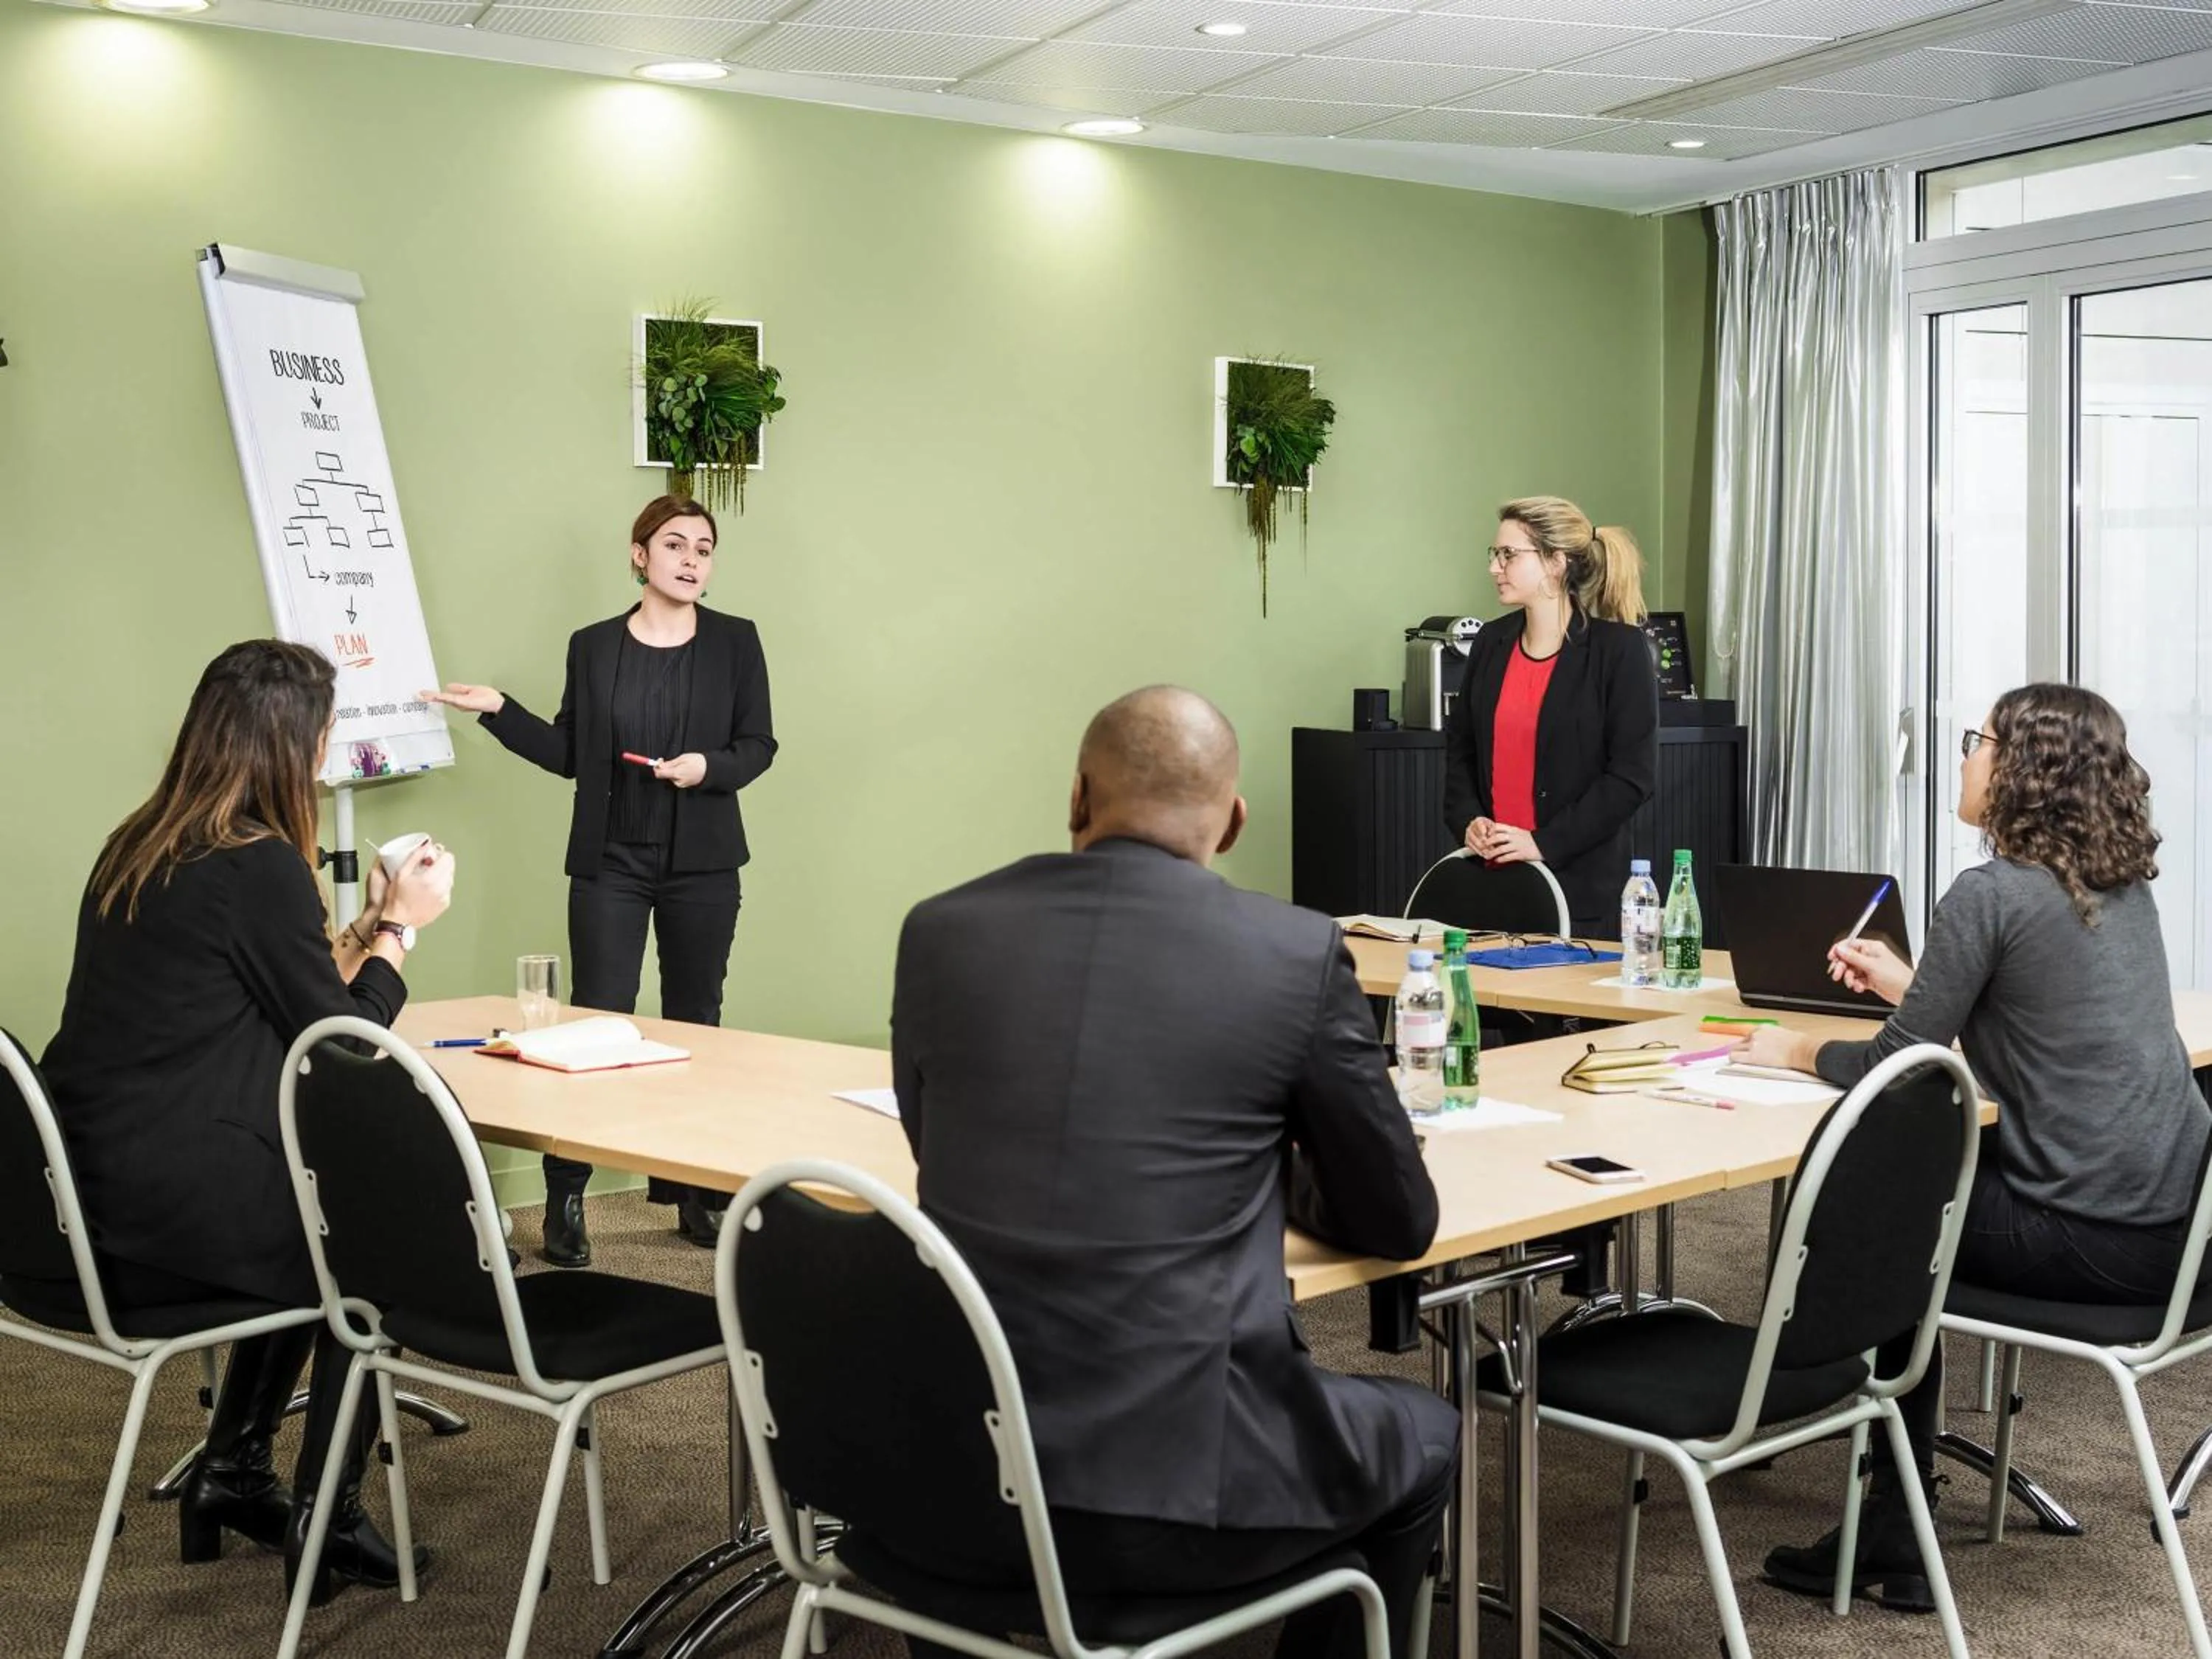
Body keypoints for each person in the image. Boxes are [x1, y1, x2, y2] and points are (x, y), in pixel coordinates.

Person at [888, 686, 1456, 1659]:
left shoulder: (939, 928)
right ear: (1235, 821)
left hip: (948, 1468)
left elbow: (934, 1141)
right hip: (1170, 1494)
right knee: (1427, 1432)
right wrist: (1277, 1169)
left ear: (1076, 795)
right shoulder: (1294, 950)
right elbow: (1397, 1219)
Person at [1746, 684, 2212, 1613]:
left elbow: (1896, 1062)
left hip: (2101, 1241)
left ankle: (1890, 1521)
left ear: (2021, 771)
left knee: (1889, 1209)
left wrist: (1789, 1047)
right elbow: (2028, 1021)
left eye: (1978, 741)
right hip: (2186, 1237)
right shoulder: (2116, 886)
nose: (1965, 756)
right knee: (1923, 1186)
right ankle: (1893, 1516)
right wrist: (1914, 982)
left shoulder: (1990, 892)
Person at [41, 639, 456, 1603]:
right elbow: (342, 1050)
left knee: (308, 1222)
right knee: (364, 1250)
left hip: (81, 1201)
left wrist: (354, 936)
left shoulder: (145, 839)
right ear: (284, 745)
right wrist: (402, 930)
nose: (322, 757)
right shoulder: (259, 863)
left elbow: (257, 988)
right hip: (163, 1225)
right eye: (318, 736)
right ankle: (329, 1515)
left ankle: (231, 1474)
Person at [427, 495, 775, 1267]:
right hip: (612, 862)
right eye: (676, 544)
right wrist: (498, 712)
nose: (693, 560)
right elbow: (569, 754)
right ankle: (567, 1199)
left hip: (703, 865)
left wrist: (707, 767)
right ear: (639, 555)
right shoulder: (593, 647)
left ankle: (694, 1195)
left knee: (695, 1025)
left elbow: (759, 745)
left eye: (705, 548)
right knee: (595, 1025)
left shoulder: (735, 643)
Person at [1441, 495, 1658, 937]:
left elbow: (1631, 778)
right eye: (1494, 554)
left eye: (1508, 555)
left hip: (1580, 896)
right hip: (1489, 890)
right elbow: (1461, 751)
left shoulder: (1618, 652)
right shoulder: (1490, 643)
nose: (1494, 568)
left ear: (1555, 563)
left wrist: (1542, 843)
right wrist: (1468, 821)